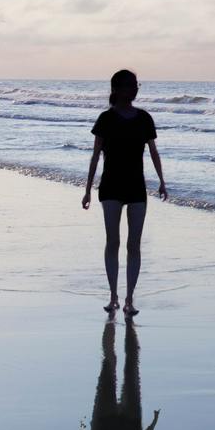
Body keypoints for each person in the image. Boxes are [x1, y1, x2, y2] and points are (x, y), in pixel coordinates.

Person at [81, 68, 165, 316]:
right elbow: (96, 155)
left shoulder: (144, 118)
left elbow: (153, 152)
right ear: (116, 89)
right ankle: (113, 296)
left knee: (134, 244)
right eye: (130, 85)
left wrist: (162, 181)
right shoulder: (106, 119)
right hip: (111, 186)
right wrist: (87, 189)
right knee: (113, 241)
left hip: (136, 187)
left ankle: (129, 299)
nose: (135, 89)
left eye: (136, 84)